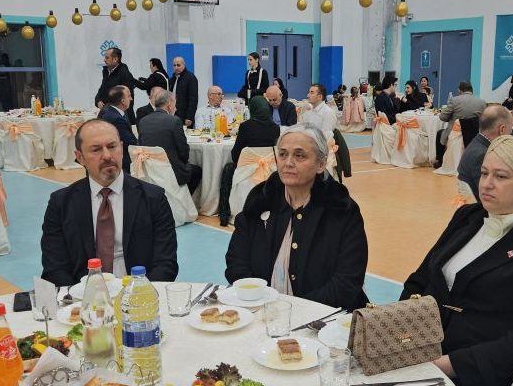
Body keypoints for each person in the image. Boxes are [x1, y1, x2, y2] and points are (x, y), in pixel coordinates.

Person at [402, 135, 513, 385]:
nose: (486, 184)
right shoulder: (468, 216)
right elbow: (420, 279)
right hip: (419, 351)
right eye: (484, 173)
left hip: (476, 372)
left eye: (501, 176)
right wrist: (398, 333)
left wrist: (442, 366)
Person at [225, 123, 368, 311]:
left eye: (299, 156)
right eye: (283, 154)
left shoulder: (341, 209)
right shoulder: (260, 200)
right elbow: (236, 263)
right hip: (262, 311)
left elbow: (347, 282)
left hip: (324, 317)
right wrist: (260, 302)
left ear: (321, 164)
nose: (288, 162)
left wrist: (295, 312)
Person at [41, 120, 178, 286]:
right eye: (96, 149)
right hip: (82, 294)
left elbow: (165, 263)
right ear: (80, 157)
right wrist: (78, 297)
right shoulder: (61, 203)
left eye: (112, 146)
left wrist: (141, 293)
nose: (107, 156)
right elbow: (54, 267)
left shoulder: (153, 198)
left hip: (140, 291)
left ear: (121, 148)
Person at [218, 95, 281, 226]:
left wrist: (242, 164)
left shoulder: (246, 126)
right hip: (271, 169)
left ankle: (224, 214)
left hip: (247, 172)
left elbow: (236, 153)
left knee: (228, 168)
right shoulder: (275, 127)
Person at [137, 90, 202, 194]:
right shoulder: (174, 121)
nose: (176, 108)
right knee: (197, 171)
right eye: (175, 104)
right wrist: (184, 163)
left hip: (149, 171)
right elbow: (184, 152)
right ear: (169, 104)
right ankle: (182, 199)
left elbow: (140, 145)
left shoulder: (143, 121)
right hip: (171, 171)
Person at [457, 105, 513, 200]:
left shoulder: (477, 143)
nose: (510, 134)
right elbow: (489, 192)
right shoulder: (483, 154)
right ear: (502, 129)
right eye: (510, 130)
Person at [437, 81, 486, 164]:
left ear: (459, 90)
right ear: (472, 90)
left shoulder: (454, 100)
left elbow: (442, 117)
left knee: (439, 133)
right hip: (475, 134)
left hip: (456, 133)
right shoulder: (482, 102)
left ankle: (440, 161)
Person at [98, 85, 137, 172]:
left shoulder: (110, 110)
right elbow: (130, 143)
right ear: (123, 101)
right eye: (129, 96)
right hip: (121, 162)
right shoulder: (116, 118)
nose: (131, 99)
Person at [94, 47, 137, 123]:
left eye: (107, 58)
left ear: (115, 59)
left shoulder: (124, 73)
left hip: (119, 118)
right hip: (107, 113)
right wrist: (98, 101)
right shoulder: (106, 71)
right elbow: (102, 88)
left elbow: (128, 98)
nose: (104, 60)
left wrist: (122, 117)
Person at [169, 56, 199, 128]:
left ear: (184, 65)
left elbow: (193, 99)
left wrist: (190, 117)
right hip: (172, 115)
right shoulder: (172, 79)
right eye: (174, 65)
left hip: (185, 116)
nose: (176, 67)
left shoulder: (191, 78)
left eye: (178, 65)